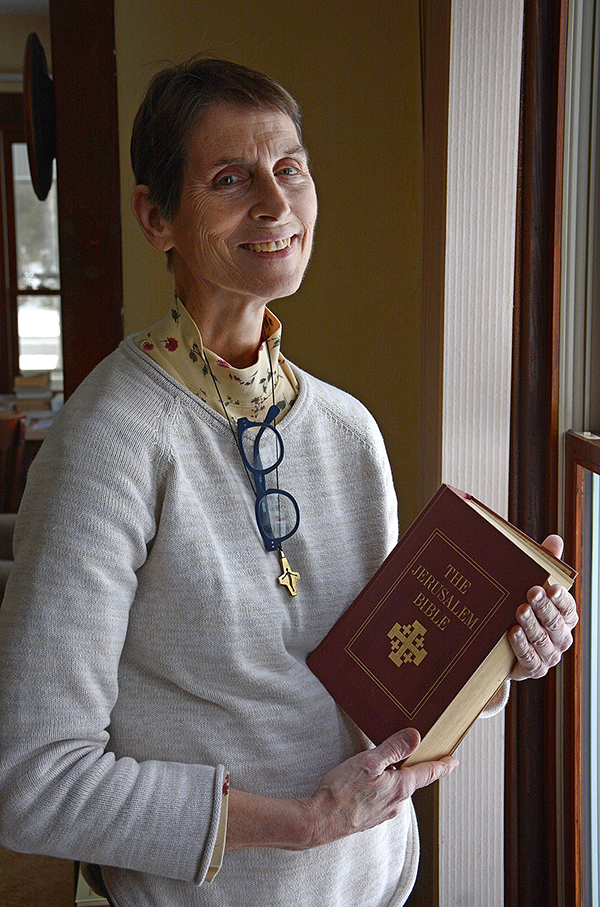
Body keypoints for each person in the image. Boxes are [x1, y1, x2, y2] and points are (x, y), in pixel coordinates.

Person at [0, 58, 578, 907]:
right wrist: (306, 819)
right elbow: (33, 781)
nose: (275, 205)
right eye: (230, 178)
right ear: (155, 216)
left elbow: (390, 689)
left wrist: (500, 653)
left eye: (290, 168)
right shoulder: (109, 440)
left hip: (373, 887)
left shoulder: (347, 429)